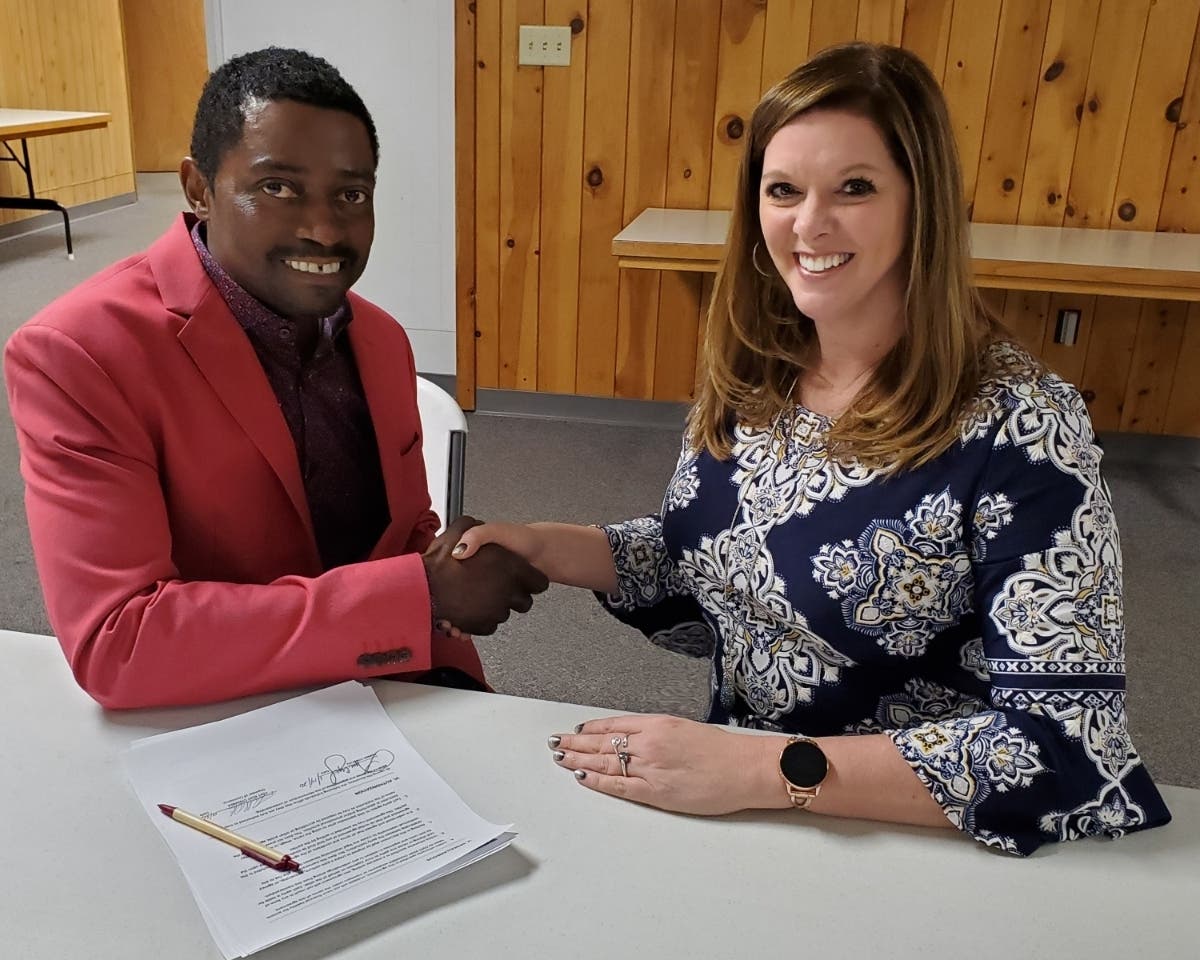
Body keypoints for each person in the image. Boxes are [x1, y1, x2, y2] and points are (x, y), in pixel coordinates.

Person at [451, 42, 1171, 854]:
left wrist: (765, 771)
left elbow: (1069, 752)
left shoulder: (1024, 426)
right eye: (783, 190)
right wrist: (548, 548)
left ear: (920, 203)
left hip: (921, 833)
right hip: (746, 803)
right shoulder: (752, 375)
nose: (810, 224)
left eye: (854, 189)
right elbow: (711, 566)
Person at [4, 47, 547, 710]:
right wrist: (417, 593)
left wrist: (449, 564)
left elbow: (402, 534)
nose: (323, 230)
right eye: (278, 187)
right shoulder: (80, 353)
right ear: (199, 188)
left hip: (397, 697)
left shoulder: (380, 339)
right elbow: (120, 642)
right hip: (214, 725)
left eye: (352, 195)